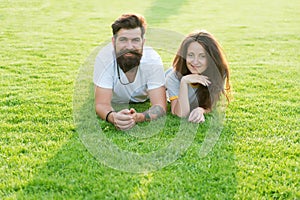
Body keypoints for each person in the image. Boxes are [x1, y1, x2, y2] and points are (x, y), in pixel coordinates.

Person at [93, 13, 166, 131]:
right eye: (123, 40)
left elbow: (159, 107)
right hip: (114, 100)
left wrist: (138, 117)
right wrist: (113, 117)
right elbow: (101, 104)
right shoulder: (104, 58)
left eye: (135, 40)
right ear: (113, 41)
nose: (129, 46)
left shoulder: (153, 60)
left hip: (143, 98)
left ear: (143, 42)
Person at [166, 30, 231, 123]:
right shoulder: (173, 78)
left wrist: (201, 110)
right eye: (190, 55)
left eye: (202, 56)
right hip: (163, 84)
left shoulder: (219, 73)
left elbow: (212, 103)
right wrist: (184, 81)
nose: (195, 62)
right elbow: (180, 114)